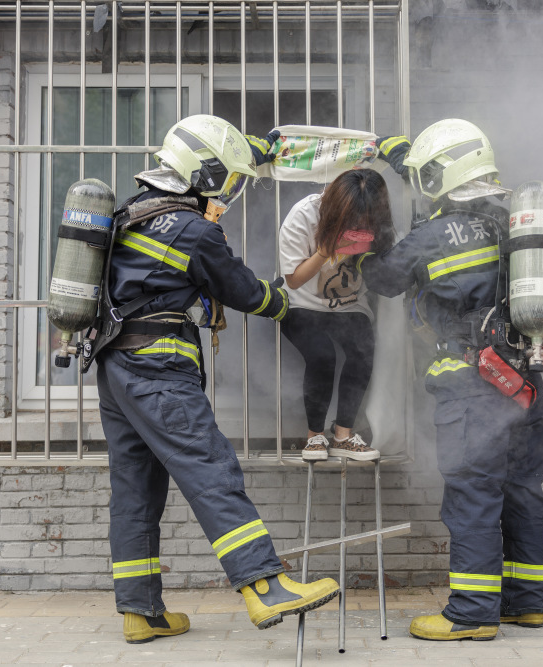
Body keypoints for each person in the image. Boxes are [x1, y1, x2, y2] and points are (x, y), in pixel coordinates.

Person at [90, 114, 339, 644]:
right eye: (224, 178)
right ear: (203, 172)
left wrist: (256, 149)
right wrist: (282, 303)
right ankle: (266, 587)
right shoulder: (192, 229)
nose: (227, 190)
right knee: (210, 468)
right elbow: (242, 290)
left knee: (134, 488)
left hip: (115, 369)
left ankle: (141, 612)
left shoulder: (131, 213)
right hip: (158, 369)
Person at [361, 120, 543, 641]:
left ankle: (470, 614)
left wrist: (363, 245)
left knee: (472, 496)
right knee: (521, 491)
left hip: (473, 389)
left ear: (443, 174)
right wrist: (398, 153)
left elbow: (383, 279)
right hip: (525, 380)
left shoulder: (435, 234)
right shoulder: (514, 219)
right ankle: (526, 603)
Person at [277, 169, 395, 461]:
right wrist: (326, 251)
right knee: (322, 355)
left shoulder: (377, 224)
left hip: (350, 303)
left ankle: (343, 435)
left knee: (363, 350)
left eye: (365, 219)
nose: (358, 224)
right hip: (301, 302)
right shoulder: (304, 215)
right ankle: (314, 436)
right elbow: (292, 280)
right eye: (352, 218)